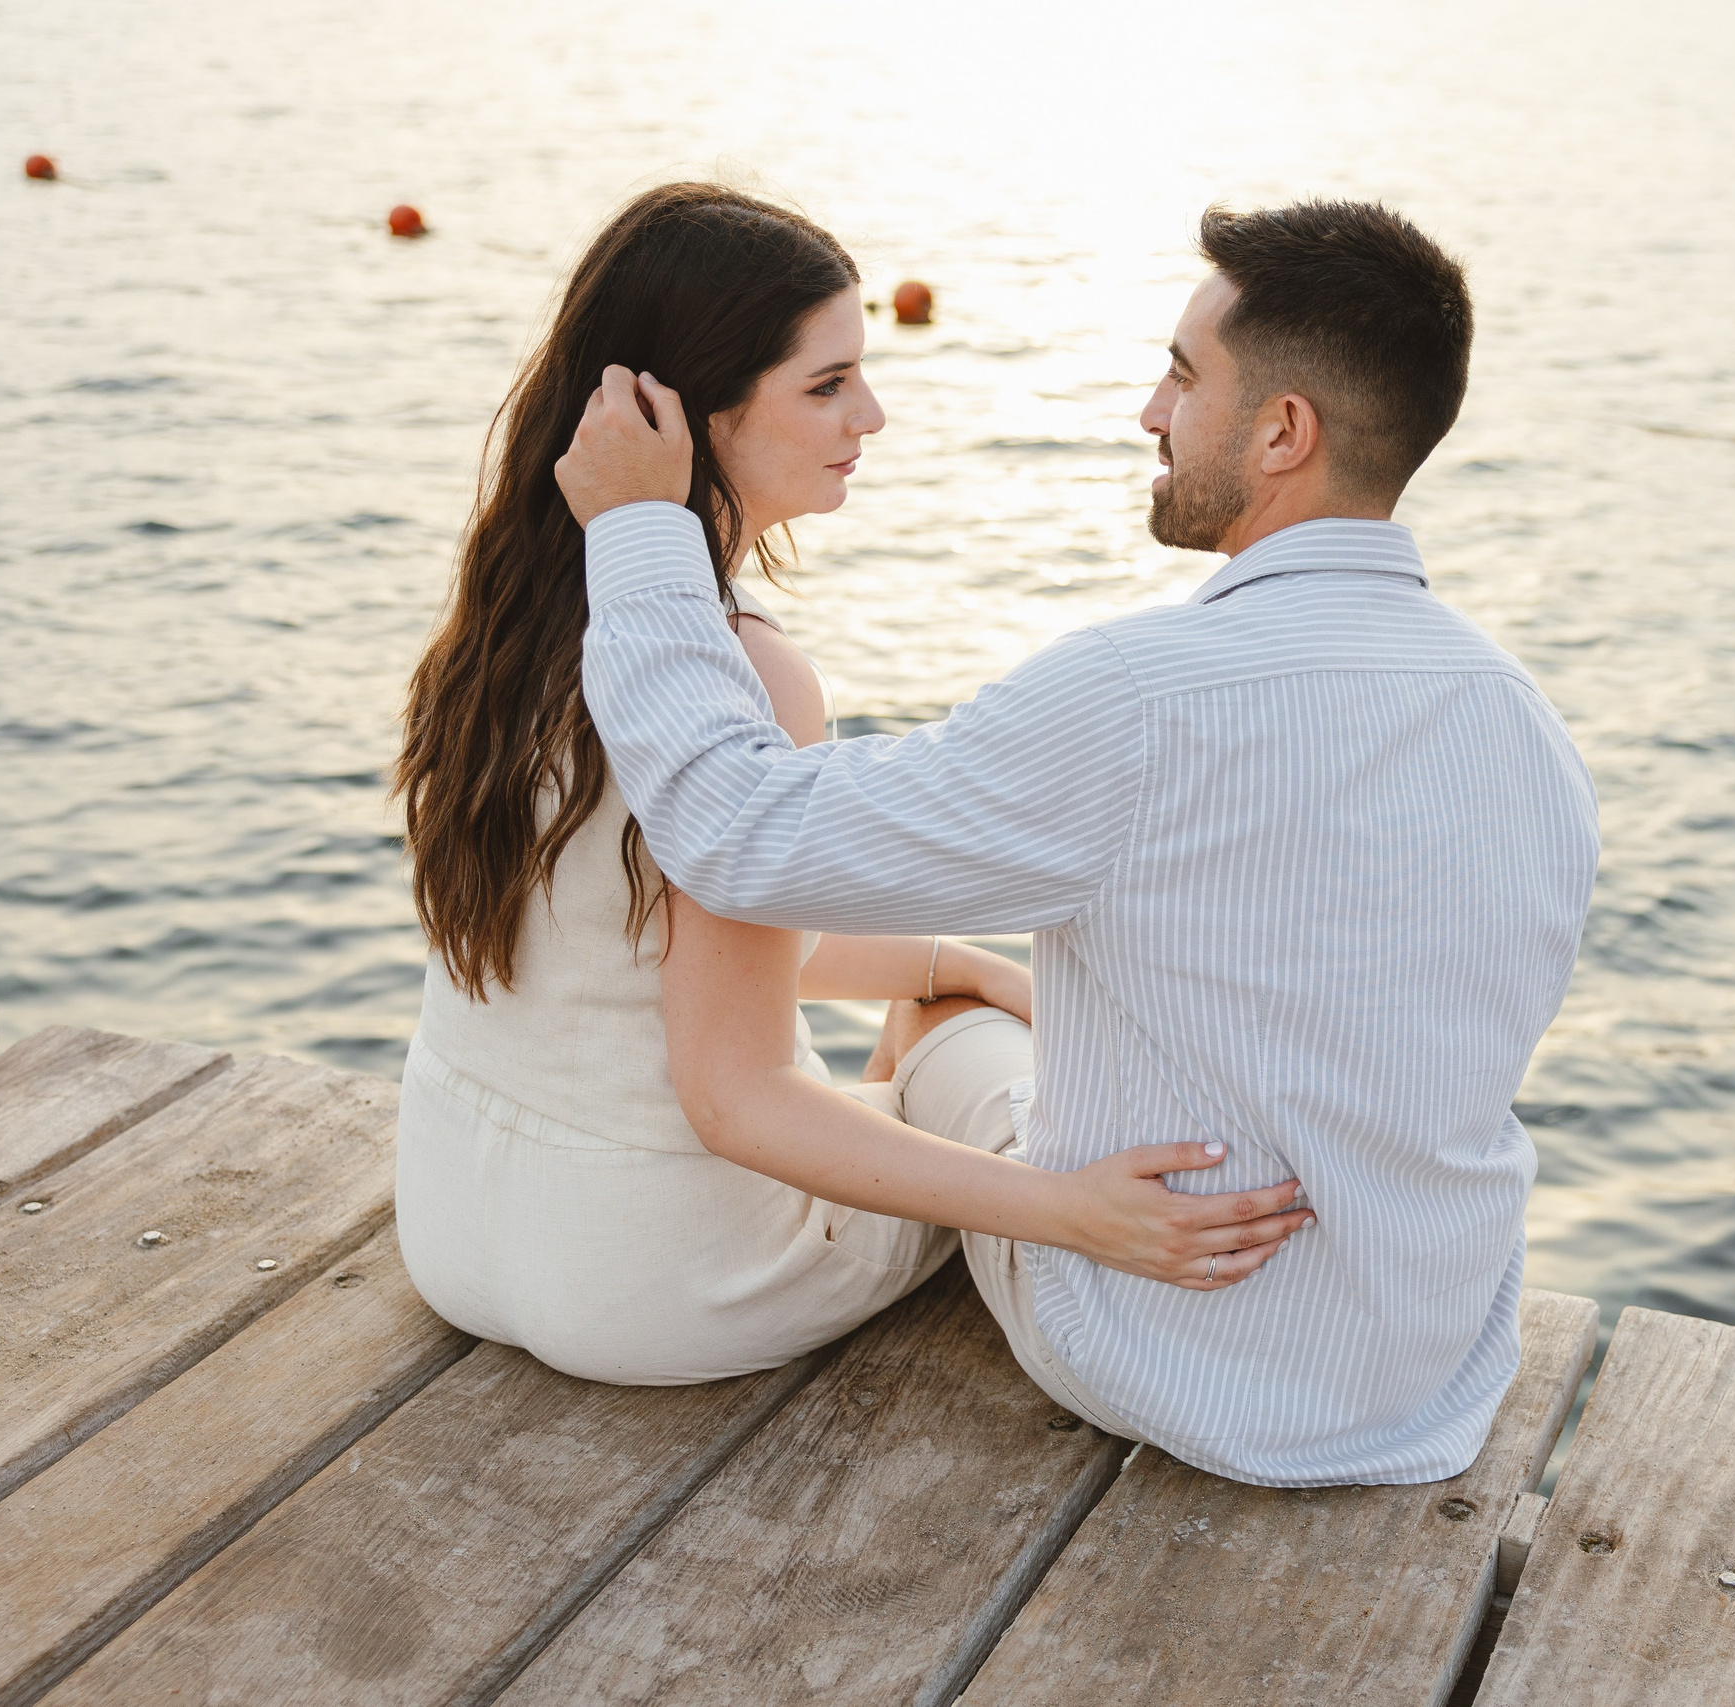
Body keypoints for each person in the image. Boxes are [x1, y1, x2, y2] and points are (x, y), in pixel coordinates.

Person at [560, 199, 1599, 1486]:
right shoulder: (1524, 724)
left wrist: (639, 534)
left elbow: (731, 834)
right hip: (1429, 1363)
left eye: (1181, 376)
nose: (1150, 413)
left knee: (945, 1026)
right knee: (996, 999)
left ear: (1283, 433)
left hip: (1163, 1345)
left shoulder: (1140, 696)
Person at [390, 184, 1303, 1385]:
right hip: (661, 1284)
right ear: (687, 416)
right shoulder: (741, 670)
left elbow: (641, 943)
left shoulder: (511, 625)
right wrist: (1067, 1206)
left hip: (454, 1226)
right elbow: (739, 1099)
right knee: (948, 1053)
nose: (868, 415)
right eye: (825, 386)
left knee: (940, 1000)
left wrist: (954, 959)